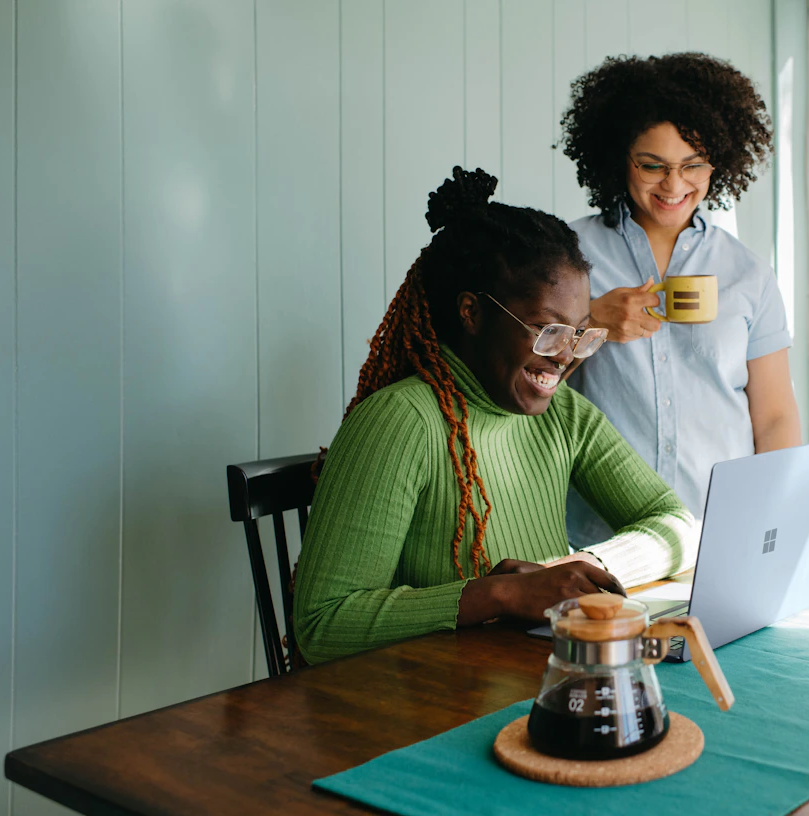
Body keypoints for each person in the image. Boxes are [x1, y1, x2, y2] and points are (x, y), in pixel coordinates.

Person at [292, 167, 697, 665]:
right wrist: (498, 594)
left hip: (532, 679)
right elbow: (321, 624)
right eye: (547, 331)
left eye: (581, 334)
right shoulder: (402, 422)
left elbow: (677, 524)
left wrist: (581, 566)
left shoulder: (563, 413)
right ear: (471, 312)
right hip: (432, 706)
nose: (565, 356)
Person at [560, 52, 809, 562]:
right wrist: (591, 322)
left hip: (723, 534)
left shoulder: (748, 273)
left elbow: (775, 415)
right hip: (602, 543)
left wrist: (788, 513)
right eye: (653, 166)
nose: (674, 186)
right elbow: (515, 388)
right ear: (618, 156)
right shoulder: (565, 256)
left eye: (693, 165)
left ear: (720, 162)